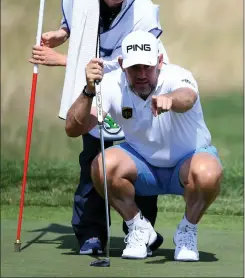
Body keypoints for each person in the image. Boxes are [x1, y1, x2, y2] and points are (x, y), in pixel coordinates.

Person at [30, 0, 170, 255]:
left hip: (133, 87)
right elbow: (80, 22)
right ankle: (90, 235)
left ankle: (141, 232)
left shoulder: (143, 11)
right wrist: (62, 33)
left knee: (138, 162)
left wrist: (61, 59)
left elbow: (133, 63)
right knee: (93, 159)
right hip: (95, 88)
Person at [65, 30, 223, 261]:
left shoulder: (177, 76)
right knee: (102, 165)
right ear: (121, 65)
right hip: (143, 167)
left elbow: (187, 97)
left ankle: (187, 231)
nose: (141, 75)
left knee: (208, 172)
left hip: (187, 164)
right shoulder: (110, 85)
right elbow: (73, 128)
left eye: (147, 67)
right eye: (134, 68)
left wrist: (171, 100)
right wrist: (89, 90)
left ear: (159, 61)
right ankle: (139, 228)